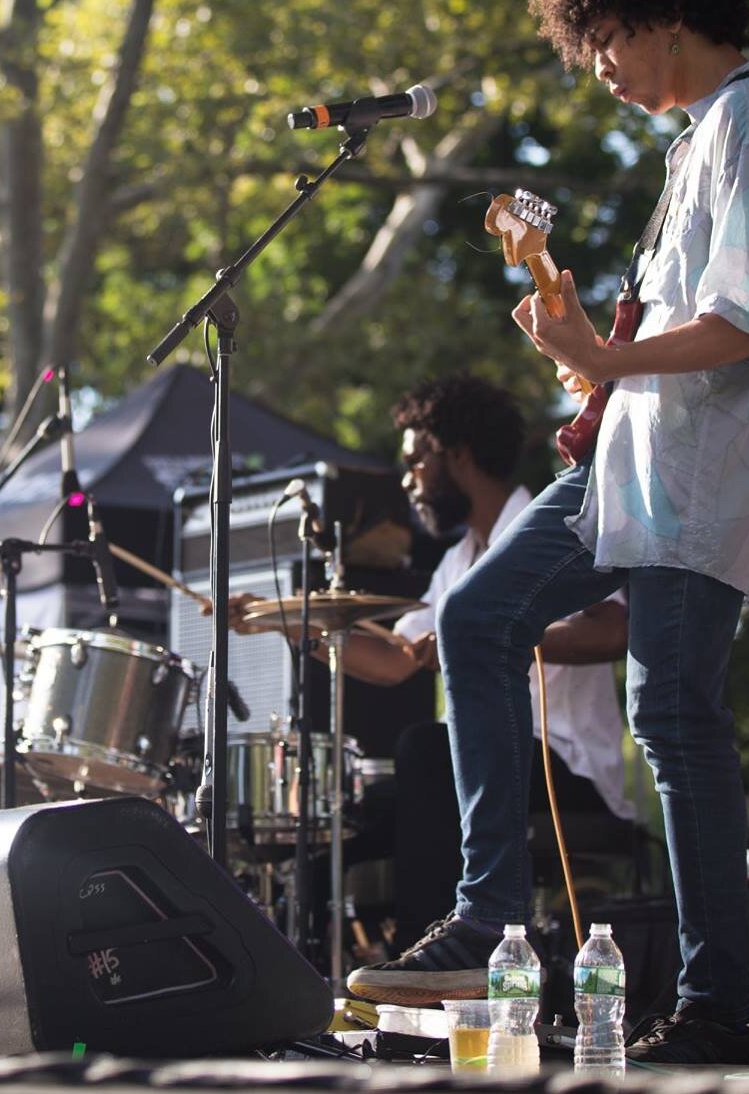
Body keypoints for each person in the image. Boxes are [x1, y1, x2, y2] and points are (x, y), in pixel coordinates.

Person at [344, 0, 749, 1067]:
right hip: (630, 465)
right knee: (475, 610)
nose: (597, 68)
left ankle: (713, 1005)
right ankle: (489, 914)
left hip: (697, 480)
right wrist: (580, 345)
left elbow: (746, 324)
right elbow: (656, 337)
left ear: (664, 15)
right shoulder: (696, 138)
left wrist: (602, 358)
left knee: (672, 718)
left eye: (603, 37)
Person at [231, 375, 634, 963]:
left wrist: (497, 633)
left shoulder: (546, 524)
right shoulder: (458, 560)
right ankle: (310, 977)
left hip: (566, 764)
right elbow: (397, 661)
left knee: (424, 749)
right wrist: (290, 626)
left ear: (459, 456)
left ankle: (442, 963)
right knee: (347, 816)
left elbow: (614, 629)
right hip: (489, 762)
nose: (406, 480)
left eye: (416, 462)